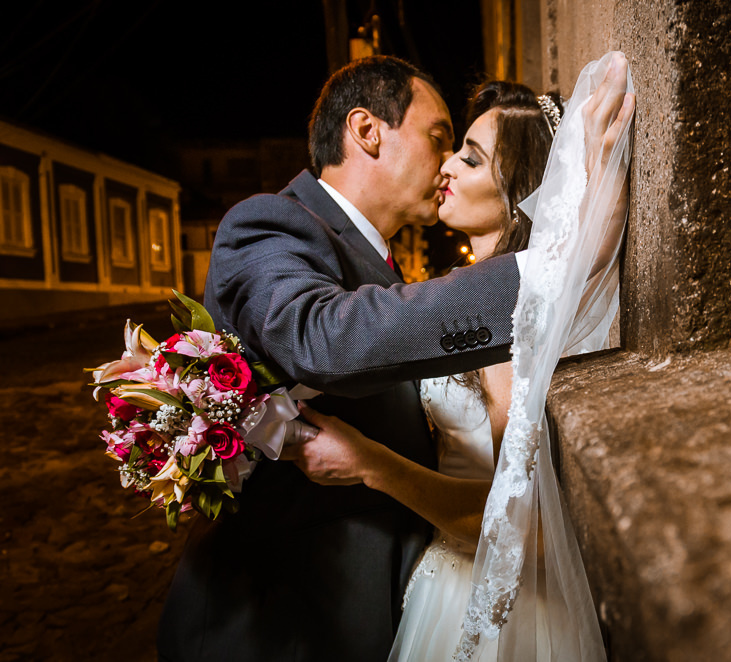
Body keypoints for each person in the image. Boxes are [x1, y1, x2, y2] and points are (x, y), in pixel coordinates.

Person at [157, 54, 631, 662]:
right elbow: (323, 339)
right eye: (439, 139)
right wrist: (554, 268)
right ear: (366, 130)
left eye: (465, 151)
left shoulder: (383, 268)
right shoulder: (269, 226)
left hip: (393, 606)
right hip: (277, 622)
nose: (446, 162)